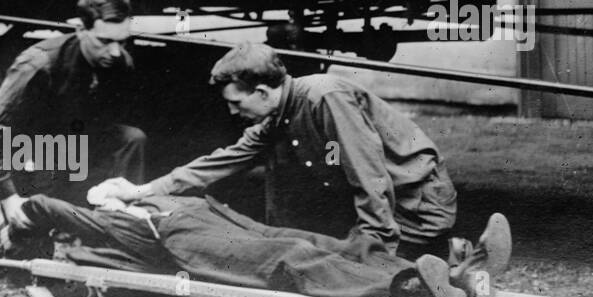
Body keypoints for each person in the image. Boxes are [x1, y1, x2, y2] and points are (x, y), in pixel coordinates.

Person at [92, 42, 459, 261]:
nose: (233, 112)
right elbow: (217, 163)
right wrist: (139, 191)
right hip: (396, 204)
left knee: (361, 268)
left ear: (264, 93)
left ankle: (454, 261)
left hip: (418, 205)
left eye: (237, 102)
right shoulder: (277, 117)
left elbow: (369, 174)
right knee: (326, 258)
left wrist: (377, 250)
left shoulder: (325, 97)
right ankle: (455, 262)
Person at [0, 192, 513, 297]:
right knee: (286, 257)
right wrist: (19, 215)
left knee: (326, 243)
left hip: (196, 214)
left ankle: (460, 276)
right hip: (178, 239)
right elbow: (44, 204)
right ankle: (413, 290)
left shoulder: (88, 224)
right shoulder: (71, 237)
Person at [0, 0, 147, 250]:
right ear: (80, 30)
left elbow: (103, 123)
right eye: (104, 41)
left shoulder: (120, 63)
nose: (115, 52)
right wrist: (8, 197)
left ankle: (115, 231)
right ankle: (0, 221)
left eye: (122, 41)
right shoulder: (38, 64)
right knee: (29, 260)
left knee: (131, 139)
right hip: (29, 149)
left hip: (71, 143)